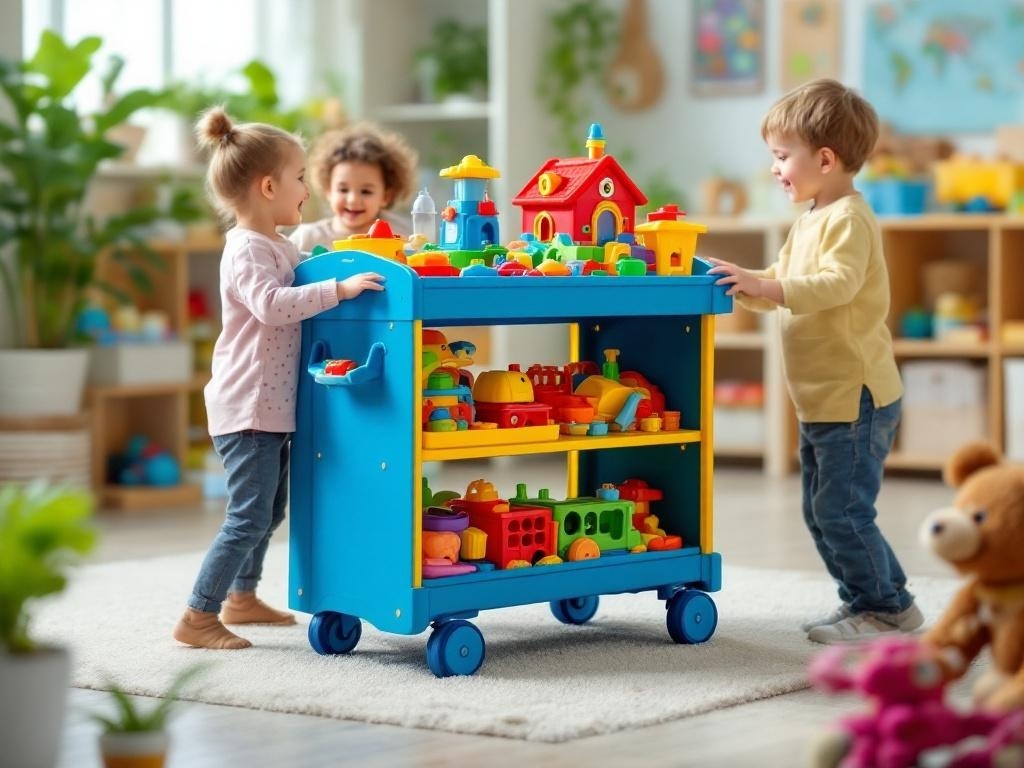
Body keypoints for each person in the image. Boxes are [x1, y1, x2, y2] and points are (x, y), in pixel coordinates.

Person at [707, 79, 923, 644]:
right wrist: (742, 284)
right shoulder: (810, 218)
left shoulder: (848, 218)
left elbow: (835, 284)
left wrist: (765, 286)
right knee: (822, 510)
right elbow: (782, 284)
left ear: (825, 160)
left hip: (855, 395)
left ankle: (882, 609)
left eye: (782, 156)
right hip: (822, 398)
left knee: (842, 511)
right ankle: (882, 601)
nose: (774, 168)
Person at [173, 108, 385, 650]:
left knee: (269, 511)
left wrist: (340, 266)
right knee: (247, 516)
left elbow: (302, 269)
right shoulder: (246, 248)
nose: (306, 192)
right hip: (247, 408)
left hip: (270, 408)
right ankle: (199, 614)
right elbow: (271, 304)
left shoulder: (277, 245)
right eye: (300, 179)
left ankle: (242, 597)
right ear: (268, 187)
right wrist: (338, 290)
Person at [289, 122, 418, 253]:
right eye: (343, 190)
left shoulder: (405, 238)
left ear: (386, 196)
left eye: (366, 191)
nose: (353, 200)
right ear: (328, 190)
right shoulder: (306, 238)